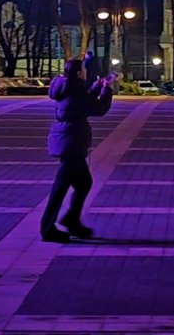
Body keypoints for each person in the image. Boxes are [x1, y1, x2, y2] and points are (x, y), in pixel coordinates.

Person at [40, 56, 116, 243]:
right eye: (83, 70)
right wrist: (107, 89)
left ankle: (71, 220)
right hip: (71, 141)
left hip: (68, 138)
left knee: (83, 183)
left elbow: (86, 96)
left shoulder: (68, 86)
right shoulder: (75, 91)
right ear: (78, 73)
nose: (86, 72)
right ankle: (47, 228)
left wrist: (99, 85)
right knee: (60, 187)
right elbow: (98, 108)